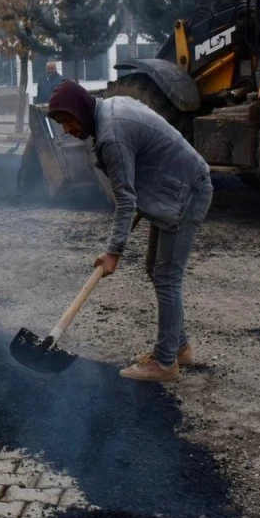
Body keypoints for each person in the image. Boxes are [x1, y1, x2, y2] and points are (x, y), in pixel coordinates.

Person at [46, 81, 212, 383]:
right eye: (60, 124)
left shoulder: (111, 137)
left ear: (79, 110)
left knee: (167, 275)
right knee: (158, 270)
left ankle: (164, 364)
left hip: (187, 192)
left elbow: (125, 199)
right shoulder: (108, 109)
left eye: (67, 120)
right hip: (175, 187)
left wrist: (113, 252)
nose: (66, 129)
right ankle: (178, 347)